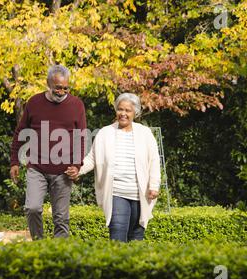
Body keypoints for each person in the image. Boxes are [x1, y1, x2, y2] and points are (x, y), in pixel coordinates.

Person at [65, 93, 161, 242]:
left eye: (128, 110)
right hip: (116, 192)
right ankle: (116, 264)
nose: (123, 113)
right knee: (117, 233)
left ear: (135, 112)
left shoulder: (145, 133)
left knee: (136, 237)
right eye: (120, 109)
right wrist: (79, 169)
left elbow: (154, 161)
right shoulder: (105, 133)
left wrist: (154, 185)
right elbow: (92, 158)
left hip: (140, 194)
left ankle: (135, 265)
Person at [10, 65, 87, 240]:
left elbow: (81, 138)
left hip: (63, 171)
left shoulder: (76, 105)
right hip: (37, 167)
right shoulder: (34, 103)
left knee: (61, 219)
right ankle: (40, 245)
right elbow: (20, 133)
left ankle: (57, 256)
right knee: (32, 208)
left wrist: (76, 165)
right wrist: (14, 161)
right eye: (58, 88)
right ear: (48, 84)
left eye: (65, 88)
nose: (61, 92)